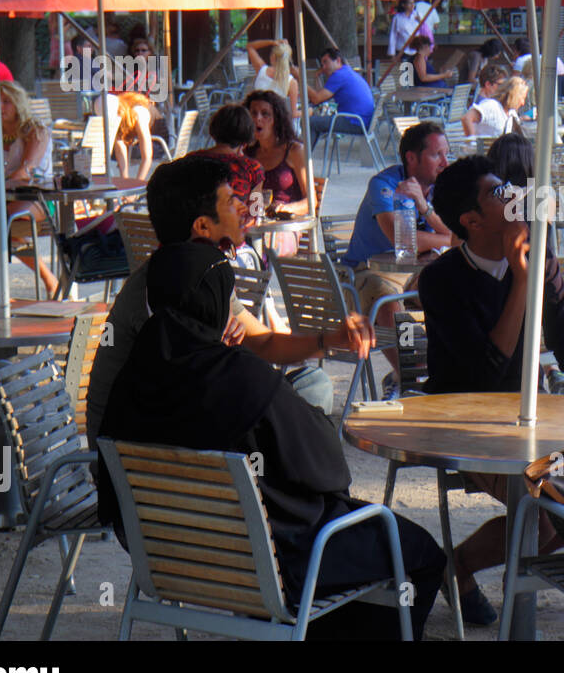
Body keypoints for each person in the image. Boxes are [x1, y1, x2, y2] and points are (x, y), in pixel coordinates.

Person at [97, 238, 445, 640]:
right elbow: (328, 467)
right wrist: (234, 363)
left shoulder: (129, 380)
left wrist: (223, 358)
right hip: (273, 566)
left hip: (171, 565)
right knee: (420, 555)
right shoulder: (244, 379)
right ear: (213, 302)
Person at [421, 155, 564, 623]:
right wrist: (523, 281)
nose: (514, 196)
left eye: (509, 186)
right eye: (497, 193)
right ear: (471, 221)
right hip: (463, 423)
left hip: (530, 419)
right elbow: (486, 372)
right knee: (544, 511)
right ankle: (456, 567)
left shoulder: (540, 254)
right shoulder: (441, 280)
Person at [85, 155, 365, 447]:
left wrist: (329, 340)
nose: (245, 208)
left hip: (168, 438)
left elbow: (264, 342)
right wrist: (225, 354)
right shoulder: (168, 287)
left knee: (311, 384)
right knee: (293, 414)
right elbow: (189, 394)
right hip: (141, 458)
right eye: (232, 201)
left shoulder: (197, 270)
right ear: (203, 226)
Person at [342, 122, 454, 391]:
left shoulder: (442, 187)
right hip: (364, 272)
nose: (445, 162)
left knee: (452, 286)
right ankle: (409, 378)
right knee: (386, 295)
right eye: (436, 155)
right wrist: (446, 239)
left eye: (446, 153)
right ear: (411, 158)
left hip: (412, 273)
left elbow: (456, 234)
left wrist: (424, 207)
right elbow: (400, 240)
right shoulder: (384, 184)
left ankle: (445, 371)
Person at [0, 81, 59, 297]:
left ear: (19, 104)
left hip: (38, 200)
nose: (0, 107)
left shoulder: (35, 131)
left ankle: (47, 280)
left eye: (6, 102)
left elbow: (25, 172)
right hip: (1, 202)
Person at [244, 89, 309, 255]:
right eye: (253, 113)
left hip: (283, 226)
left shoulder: (294, 150)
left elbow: (310, 202)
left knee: (264, 247)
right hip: (254, 223)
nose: (258, 118)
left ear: (276, 120)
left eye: (265, 114)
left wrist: (285, 208)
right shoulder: (247, 153)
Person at [112, 35, 161, 180]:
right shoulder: (130, 72)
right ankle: (125, 178)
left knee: (136, 114)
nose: (140, 53)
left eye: (143, 50)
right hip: (132, 112)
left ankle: (137, 182)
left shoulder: (154, 73)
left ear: (150, 53)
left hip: (148, 114)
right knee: (118, 125)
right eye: (137, 51)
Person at [306, 46, 374, 150]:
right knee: (316, 122)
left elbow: (316, 99)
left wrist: (299, 78)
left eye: (326, 62)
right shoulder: (346, 71)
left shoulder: (338, 75)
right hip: (365, 121)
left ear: (337, 61)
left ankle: (303, 160)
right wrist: (317, 77)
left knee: (310, 122)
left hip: (355, 122)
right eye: (322, 64)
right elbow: (320, 97)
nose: (323, 67)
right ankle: (305, 158)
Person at [248, 38, 300, 121]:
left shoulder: (261, 70)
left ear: (273, 57)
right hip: (276, 122)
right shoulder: (291, 82)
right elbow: (294, 114)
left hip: (257, 119)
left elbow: (250, 46)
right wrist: (310, 111)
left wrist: (272, 42)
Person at [461, 76, 526, 139]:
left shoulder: (511, 113)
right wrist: (473, 143)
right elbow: (466, 118)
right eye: (522, 98)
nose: (523, 103)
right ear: (514, 96)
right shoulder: (491, 106)